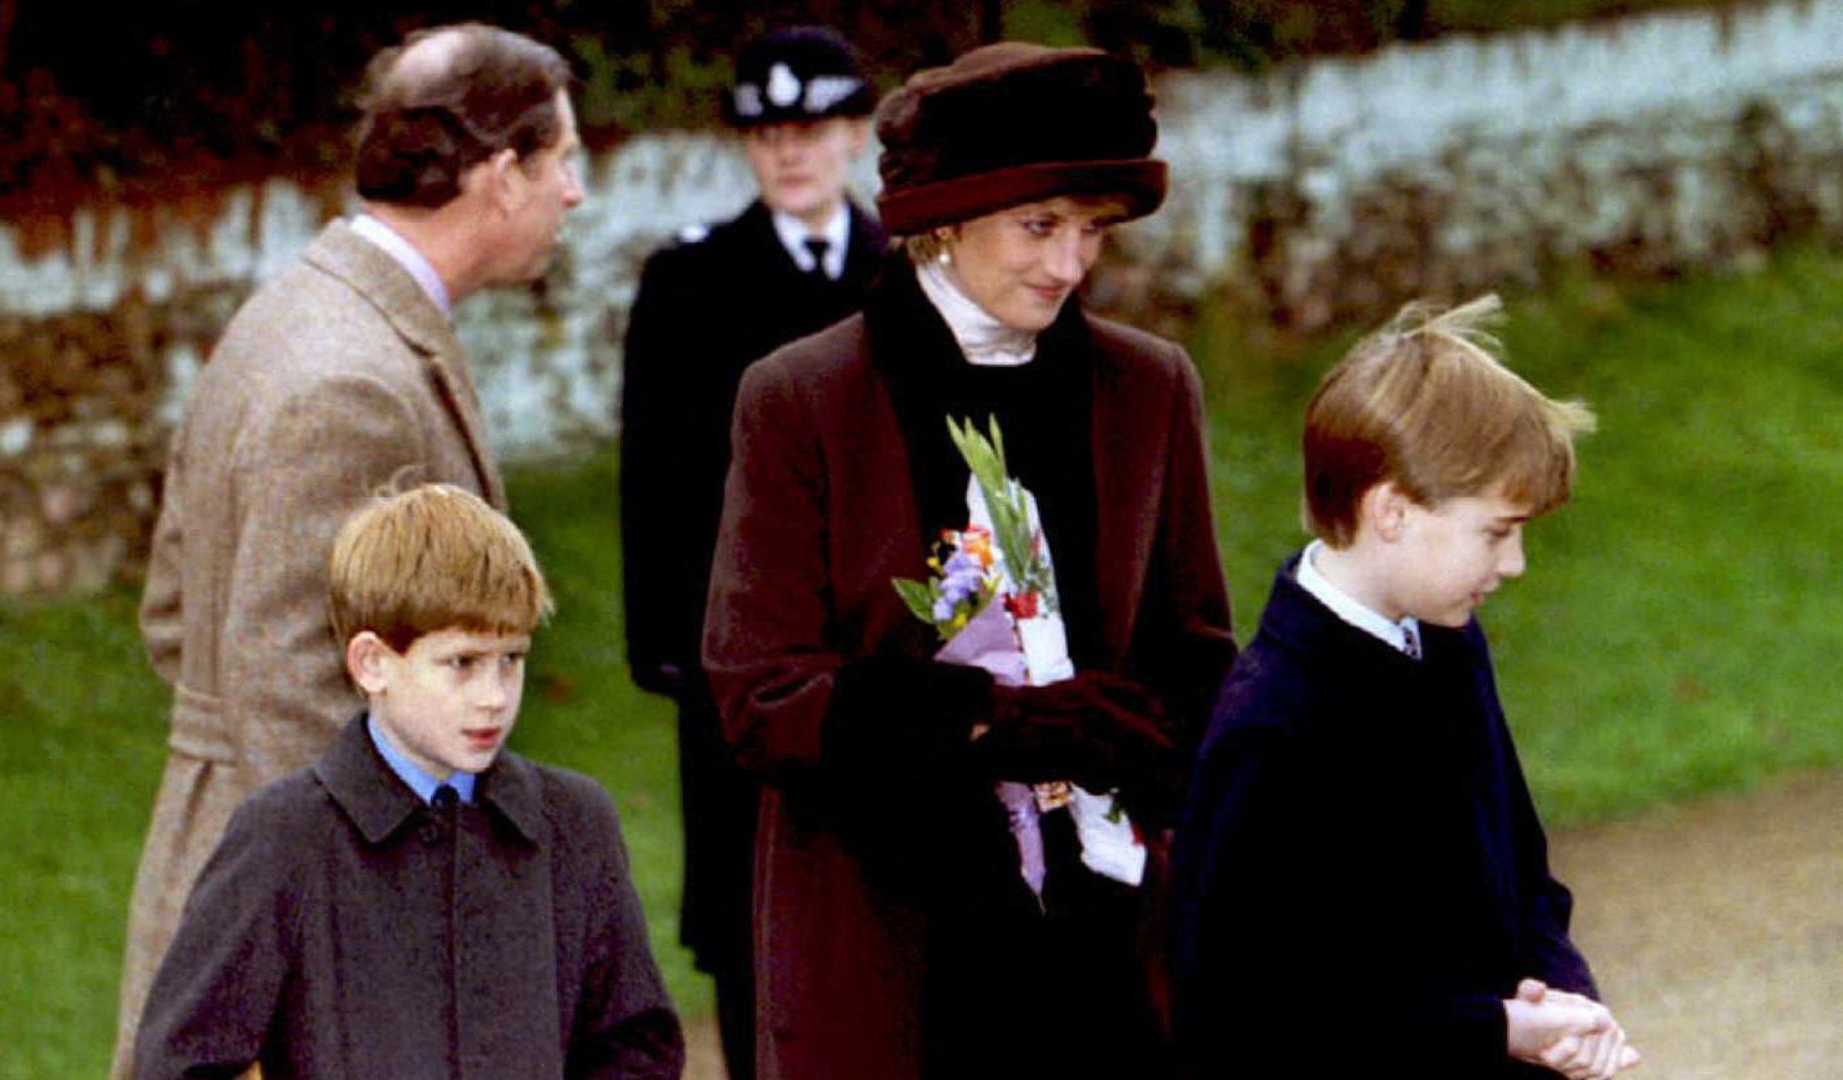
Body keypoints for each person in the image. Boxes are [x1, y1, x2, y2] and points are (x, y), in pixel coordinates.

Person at [702, 42, 1238, 1080]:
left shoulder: (1149, 387)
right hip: (893, 955)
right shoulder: (802, 398)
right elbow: (760, 694)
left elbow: (1197, 650)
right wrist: (982, 720)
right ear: (940, 223)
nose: (1068, 264)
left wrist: (1141, 742)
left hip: (1107, 958)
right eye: (1039, 226)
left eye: (1089, 230)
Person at [114, 23, 585, 1073]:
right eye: (561, 162)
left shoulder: (304, 312)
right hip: (300, 935)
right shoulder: (351, 378)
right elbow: (288, 682)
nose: (575, 194)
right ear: (499, 176)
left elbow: (174, 619)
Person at [1167, 297, 1641, 1079]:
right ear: (1390, 510)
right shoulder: (1271, 726)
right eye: (1496, 532)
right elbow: (1258, 1012)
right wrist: (1497, 1028)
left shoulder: (1449, 642)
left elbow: (1522, 868)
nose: (1515, 564)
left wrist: (1564, 999)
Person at [132, 484, 684, 1078]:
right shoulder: (284, 838)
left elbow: (637, 1044)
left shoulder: (574, 823)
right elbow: (182, 1063)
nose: (494, 697)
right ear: (371, 663)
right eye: (461, 663)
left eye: (512, 659)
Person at [618, 25, 883, 1079]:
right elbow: (657, 479)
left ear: (858, 133)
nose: (791, 152)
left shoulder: (902, 275)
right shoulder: (690, 282)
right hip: (739, 661)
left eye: (813, 127)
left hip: (874, 652)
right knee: (741, 911)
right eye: (769, 131)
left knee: (876, 892)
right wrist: (671, 653)